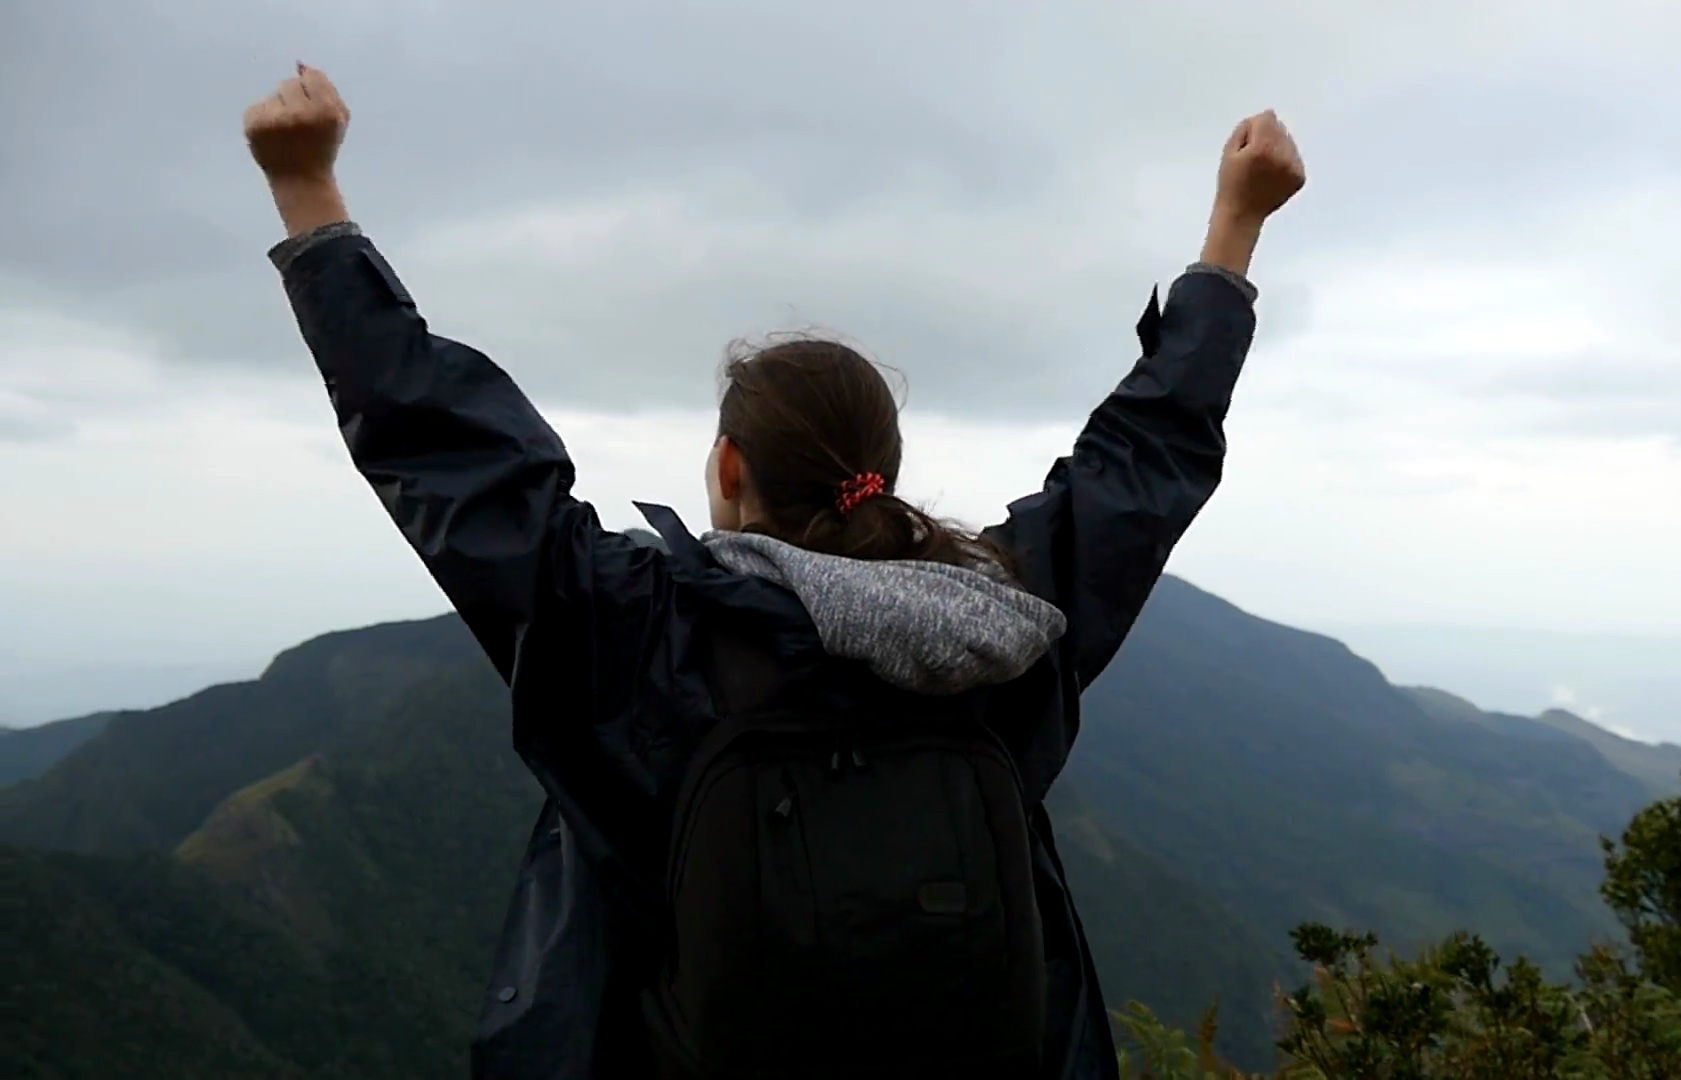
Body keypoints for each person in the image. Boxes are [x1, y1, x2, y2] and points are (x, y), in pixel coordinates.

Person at [243, 63, 1304, 1080]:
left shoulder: (637, 636)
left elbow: (453, 456)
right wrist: (1235, 227)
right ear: (881, 474)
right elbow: (1143, 465)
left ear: (729, 466)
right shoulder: (1007, 627)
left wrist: (308, 188)